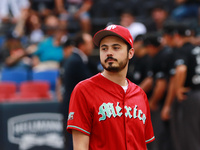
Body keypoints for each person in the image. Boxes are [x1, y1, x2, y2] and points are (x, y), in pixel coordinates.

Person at [67, 24, 155, 150]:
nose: (109, 53)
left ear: (130, 53)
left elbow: (143, 144)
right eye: (104, 48)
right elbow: (80, 146)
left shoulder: (140, 94)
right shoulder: (84, 90)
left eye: (116, 48)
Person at [61, 32, 95, 150]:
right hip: (74, 109)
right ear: (82, 45)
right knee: (74, 142)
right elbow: (90, 83)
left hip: (72, 106)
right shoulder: (76, 61)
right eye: (90, 43)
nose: (92, 46)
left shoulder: (77, 59)